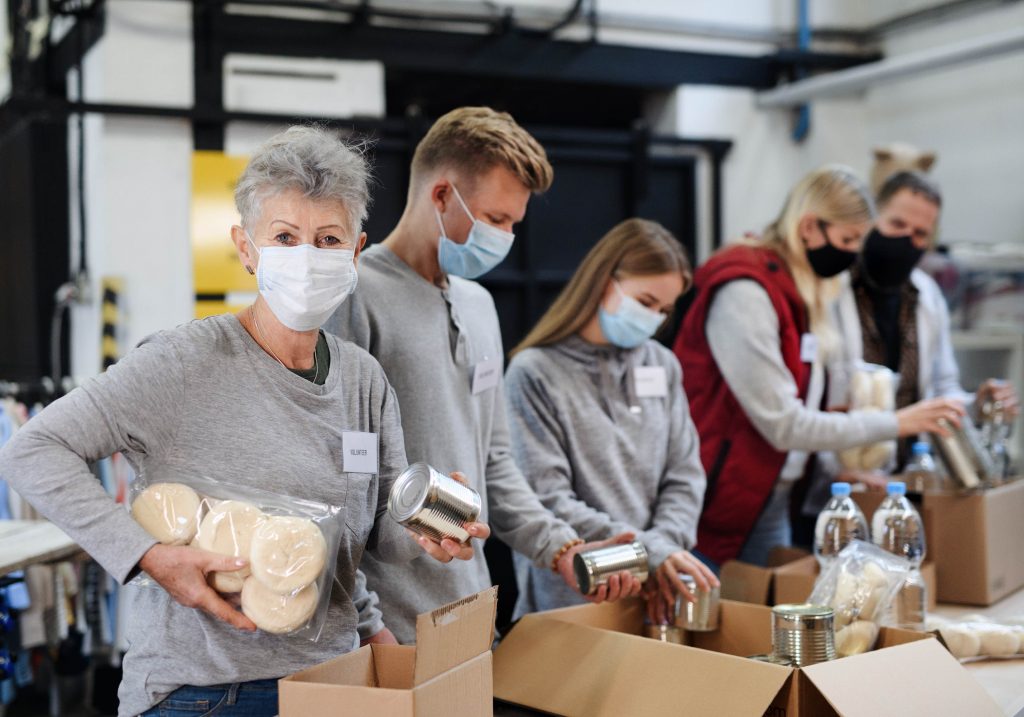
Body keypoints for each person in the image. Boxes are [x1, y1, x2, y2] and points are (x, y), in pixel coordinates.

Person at [0, 126, 487, 717]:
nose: (307, 257)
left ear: (355, 252)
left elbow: (374, 542)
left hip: (329, 682)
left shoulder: (364, 379)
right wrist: (148, 555)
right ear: (245, 248)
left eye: (327, 239)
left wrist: (424, 529)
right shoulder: (182, 362)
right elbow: (32, 451)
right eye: (284, 237)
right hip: (204, 693)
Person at [324, 107, 640, 644]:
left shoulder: (479, 306)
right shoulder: (356, 296)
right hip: (387, 626)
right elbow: (337, 478)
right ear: (442, 195)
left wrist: (562, 548)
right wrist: (365, 623)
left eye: (514, 223)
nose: (506, 237)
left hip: (469, 611)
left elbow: (494, 461)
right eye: (496, 219)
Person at [672, 165, 965, 570]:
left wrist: (834, 424)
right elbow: (783, 423)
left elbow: (792, 401)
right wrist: (897, 423)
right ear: (809, 227)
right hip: (718, 495)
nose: (852, 256)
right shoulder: (747, 292)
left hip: (770, 491)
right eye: (847, 240)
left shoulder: (796, 289)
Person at [505, 218, 717, 624]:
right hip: (573, 598)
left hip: (657, 588)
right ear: (604, 282)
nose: (653, 318)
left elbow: (685, 475)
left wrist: (661, 552)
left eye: (663, 310)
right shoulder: (535, 373)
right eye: (645, 301)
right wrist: (649, 552)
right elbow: (546, 497)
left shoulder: (662, 364)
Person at [831, 171, 1018, 452]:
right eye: (897, 224)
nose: (906, 240)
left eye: (919, 234)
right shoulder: (834, 289)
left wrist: (978, 405)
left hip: (907, 465)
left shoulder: (927, 295)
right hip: (839, 464)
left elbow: (943, 390)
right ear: (872, 219)